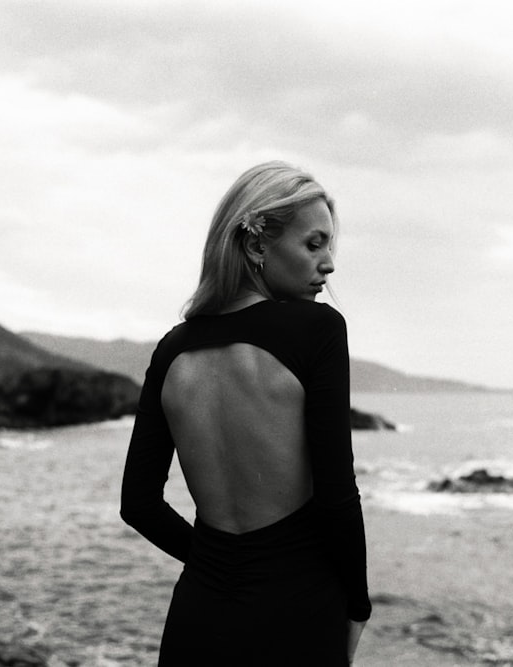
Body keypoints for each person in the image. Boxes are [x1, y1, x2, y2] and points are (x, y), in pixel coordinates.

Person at [120, 161, 371, 665]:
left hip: (200, 615)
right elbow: (337, 494)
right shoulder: (318, 329)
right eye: (314, 244)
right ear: (257, 245)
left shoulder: (172, 351)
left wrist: (218, 564)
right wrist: (357, 606)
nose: (329, 264)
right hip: (296, 615)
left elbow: (138, 504)